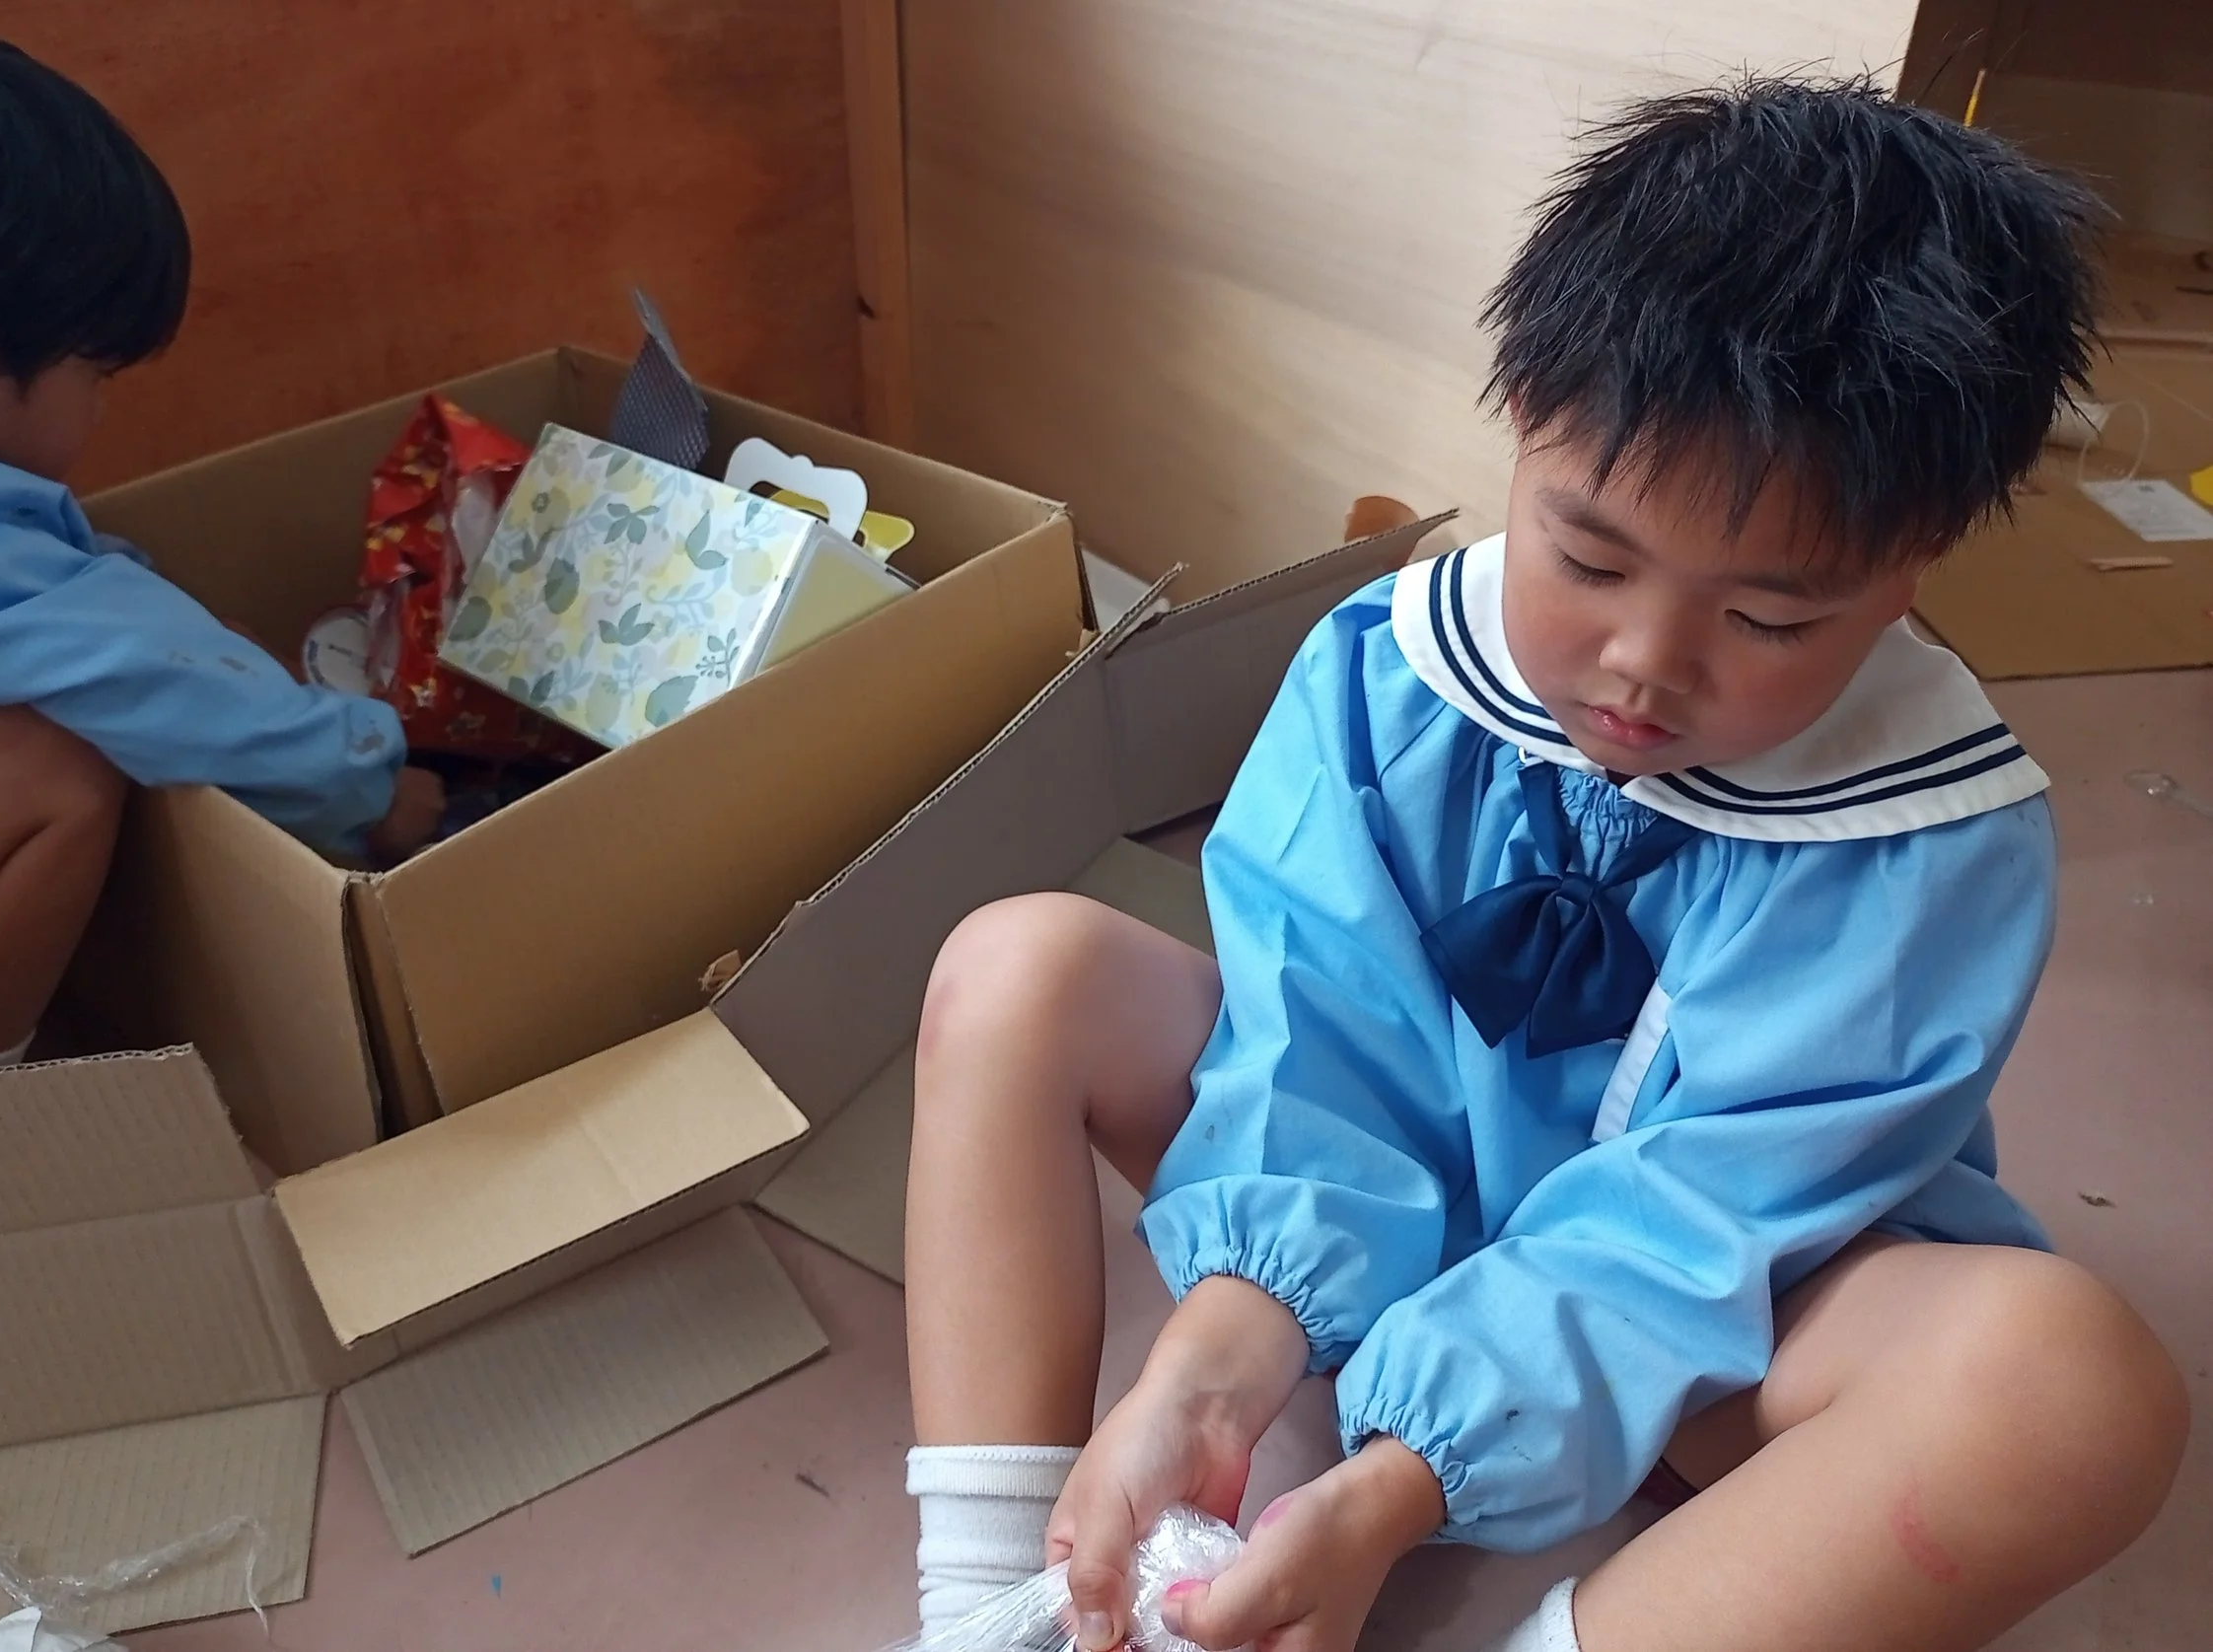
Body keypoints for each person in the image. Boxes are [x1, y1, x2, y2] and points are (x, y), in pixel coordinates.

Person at [902, 80, 2188, 1652]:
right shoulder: (1387, 670)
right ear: (1521, 416)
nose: (1644, 663)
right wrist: (1213, 1363)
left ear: (1912, 564)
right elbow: (1318, 1043)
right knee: (1018, 964)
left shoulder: (1934, 839)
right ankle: (996, 1599)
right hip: (1390, 1208)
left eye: (1770, 617)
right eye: (1588, 556)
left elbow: (1702, 1221)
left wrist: (1400, 1478)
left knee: (2071, 1389)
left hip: (1707, 1322)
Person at [0, 12, 444, 1101]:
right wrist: (376, 786)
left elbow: (51, 588)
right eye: (97, 375)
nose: (102, 407)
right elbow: (139, 666)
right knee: (53, 750)